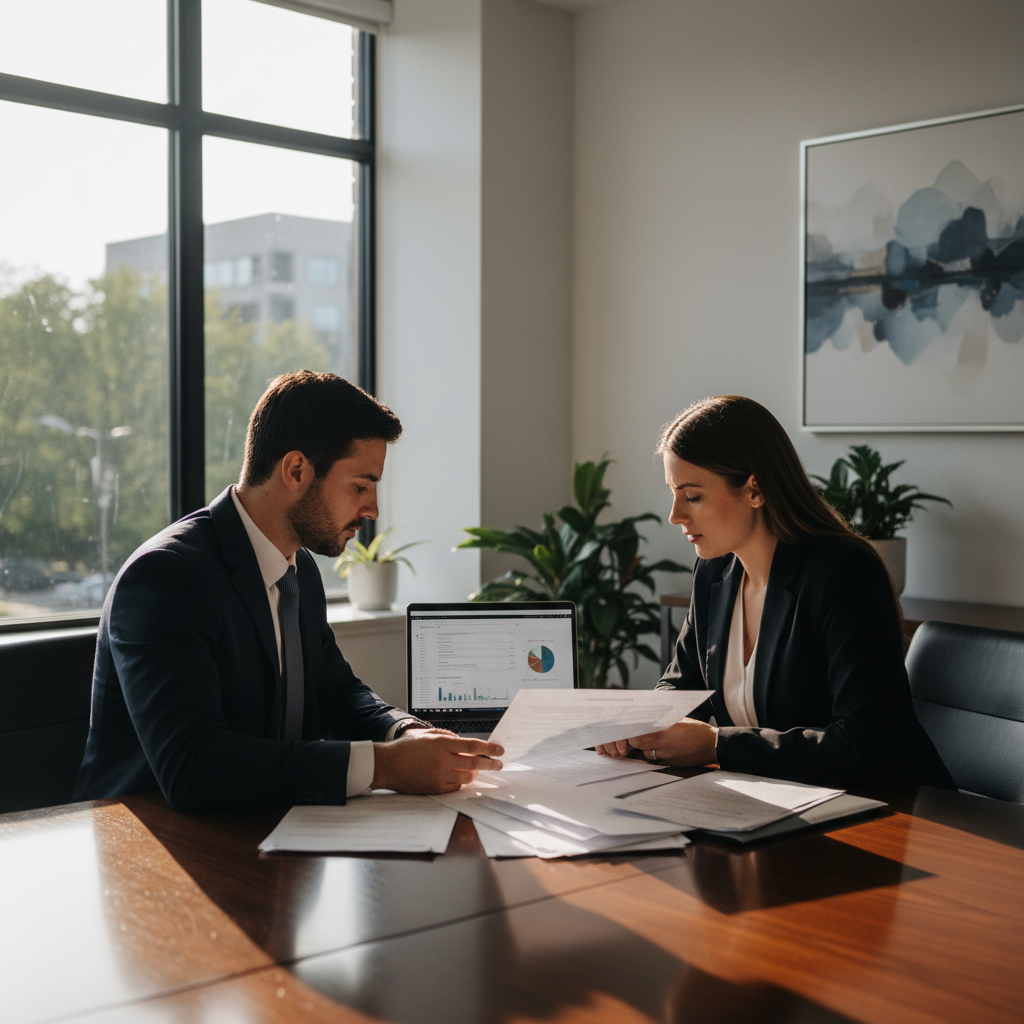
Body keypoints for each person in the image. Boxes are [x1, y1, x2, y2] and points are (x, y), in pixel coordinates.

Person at [74, 371, 503, 809]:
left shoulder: (299, 570)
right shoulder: (167, 576)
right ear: (296, 470)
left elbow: (337, 691)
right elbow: (193, 767)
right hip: (152, 843)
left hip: (263, 828)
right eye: (360, 486)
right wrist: (387, 766)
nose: (372, 509)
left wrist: (407, 732)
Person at [596, 395, 952, 789]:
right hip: (774, 806)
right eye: (674, 493)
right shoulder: (714, 572)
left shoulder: (845, 573)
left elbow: (867, 745)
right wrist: (637, 727)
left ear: (755, 489)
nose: (675, 515)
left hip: (892, 814)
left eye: (693, 496)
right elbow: (681, 688)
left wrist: (717, 746)